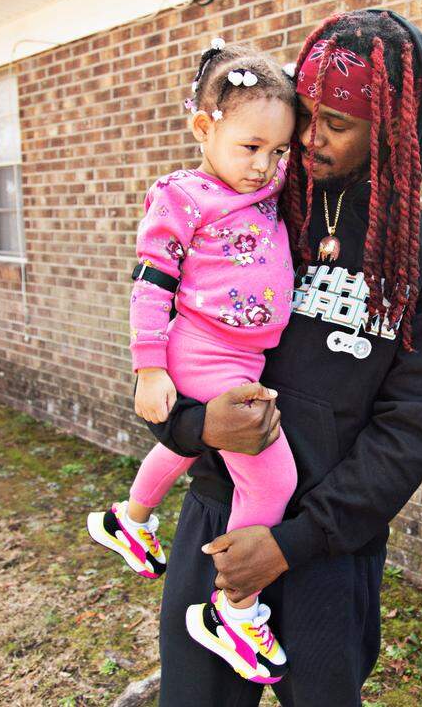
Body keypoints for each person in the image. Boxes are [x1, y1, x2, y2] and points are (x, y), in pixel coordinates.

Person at [148, 9, 422, 706]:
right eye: (308, 110)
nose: (307, 135)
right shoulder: (250, 212)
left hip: (326, 551)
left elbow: (411, 431)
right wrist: (193, 428)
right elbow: (167, 340)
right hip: (218, 517)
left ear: (390, 131)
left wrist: (294, 542)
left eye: (338, 121)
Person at [86, 39, 300, 684]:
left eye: (279, 150)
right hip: (201, 349)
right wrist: (149, 368)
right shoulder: (182, 196)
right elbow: (151, 281)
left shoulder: (265, 184)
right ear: (204, 129)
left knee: (185, 448)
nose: (265, 166)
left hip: (244, 353)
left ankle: (131, 518)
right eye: (251, 147)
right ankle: (233, 608)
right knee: (271, 478)